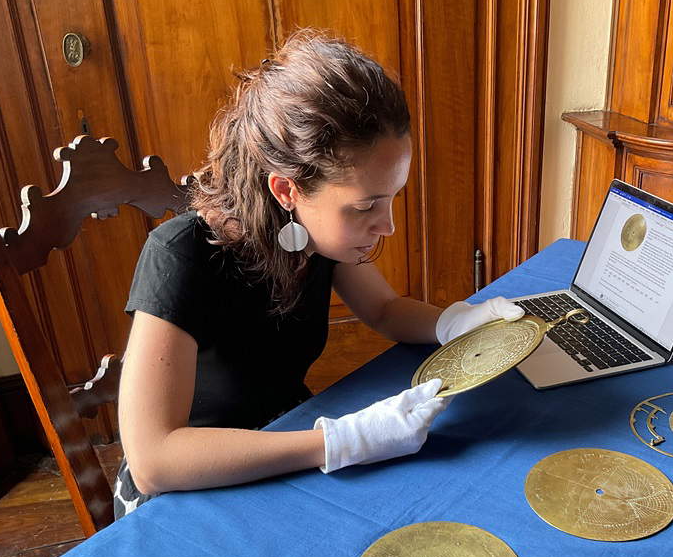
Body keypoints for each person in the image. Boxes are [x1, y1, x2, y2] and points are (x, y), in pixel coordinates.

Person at [115, 31, 524, 518]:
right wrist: (340, 440)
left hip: (286, 433)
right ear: (286, 189)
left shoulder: (313, 232)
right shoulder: (180, 256)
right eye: (366, 206)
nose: (387, 225)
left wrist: (454, 324)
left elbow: (385, 310)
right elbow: (154, 460)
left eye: (392, 197)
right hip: (192, 482)